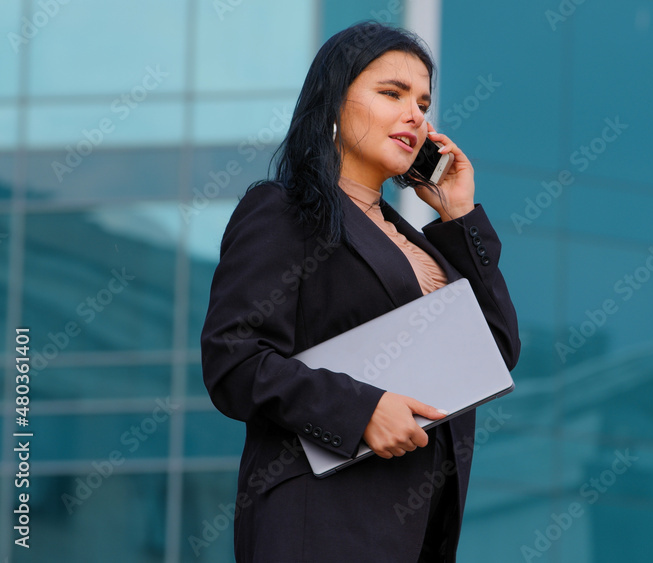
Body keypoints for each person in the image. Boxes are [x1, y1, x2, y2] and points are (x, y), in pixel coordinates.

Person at [200, 21, 520, 562]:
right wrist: (361, 409)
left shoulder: (418, 240)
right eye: (391, 94)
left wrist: (459, 215)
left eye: (422, 102)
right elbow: (233, 359)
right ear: (332, 102)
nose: (415, 115)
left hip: (413, 533)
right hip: (319, 523)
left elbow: (492, 351)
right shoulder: (284, 210)